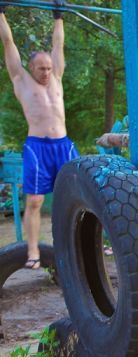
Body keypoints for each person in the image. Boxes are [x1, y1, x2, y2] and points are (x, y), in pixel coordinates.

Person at [1, 5, 79, 269]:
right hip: (37, 147)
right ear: (31, 68)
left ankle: (83, 243)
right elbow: (8, 42)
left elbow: (58, 44)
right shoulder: (20, 80)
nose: (46, 72)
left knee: (82, 195)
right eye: (41, 68)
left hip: (64, 145)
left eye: (48, 68)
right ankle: (33, 250)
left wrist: (58, 16)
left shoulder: (56, 76)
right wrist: (1, 14)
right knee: (35, 200)